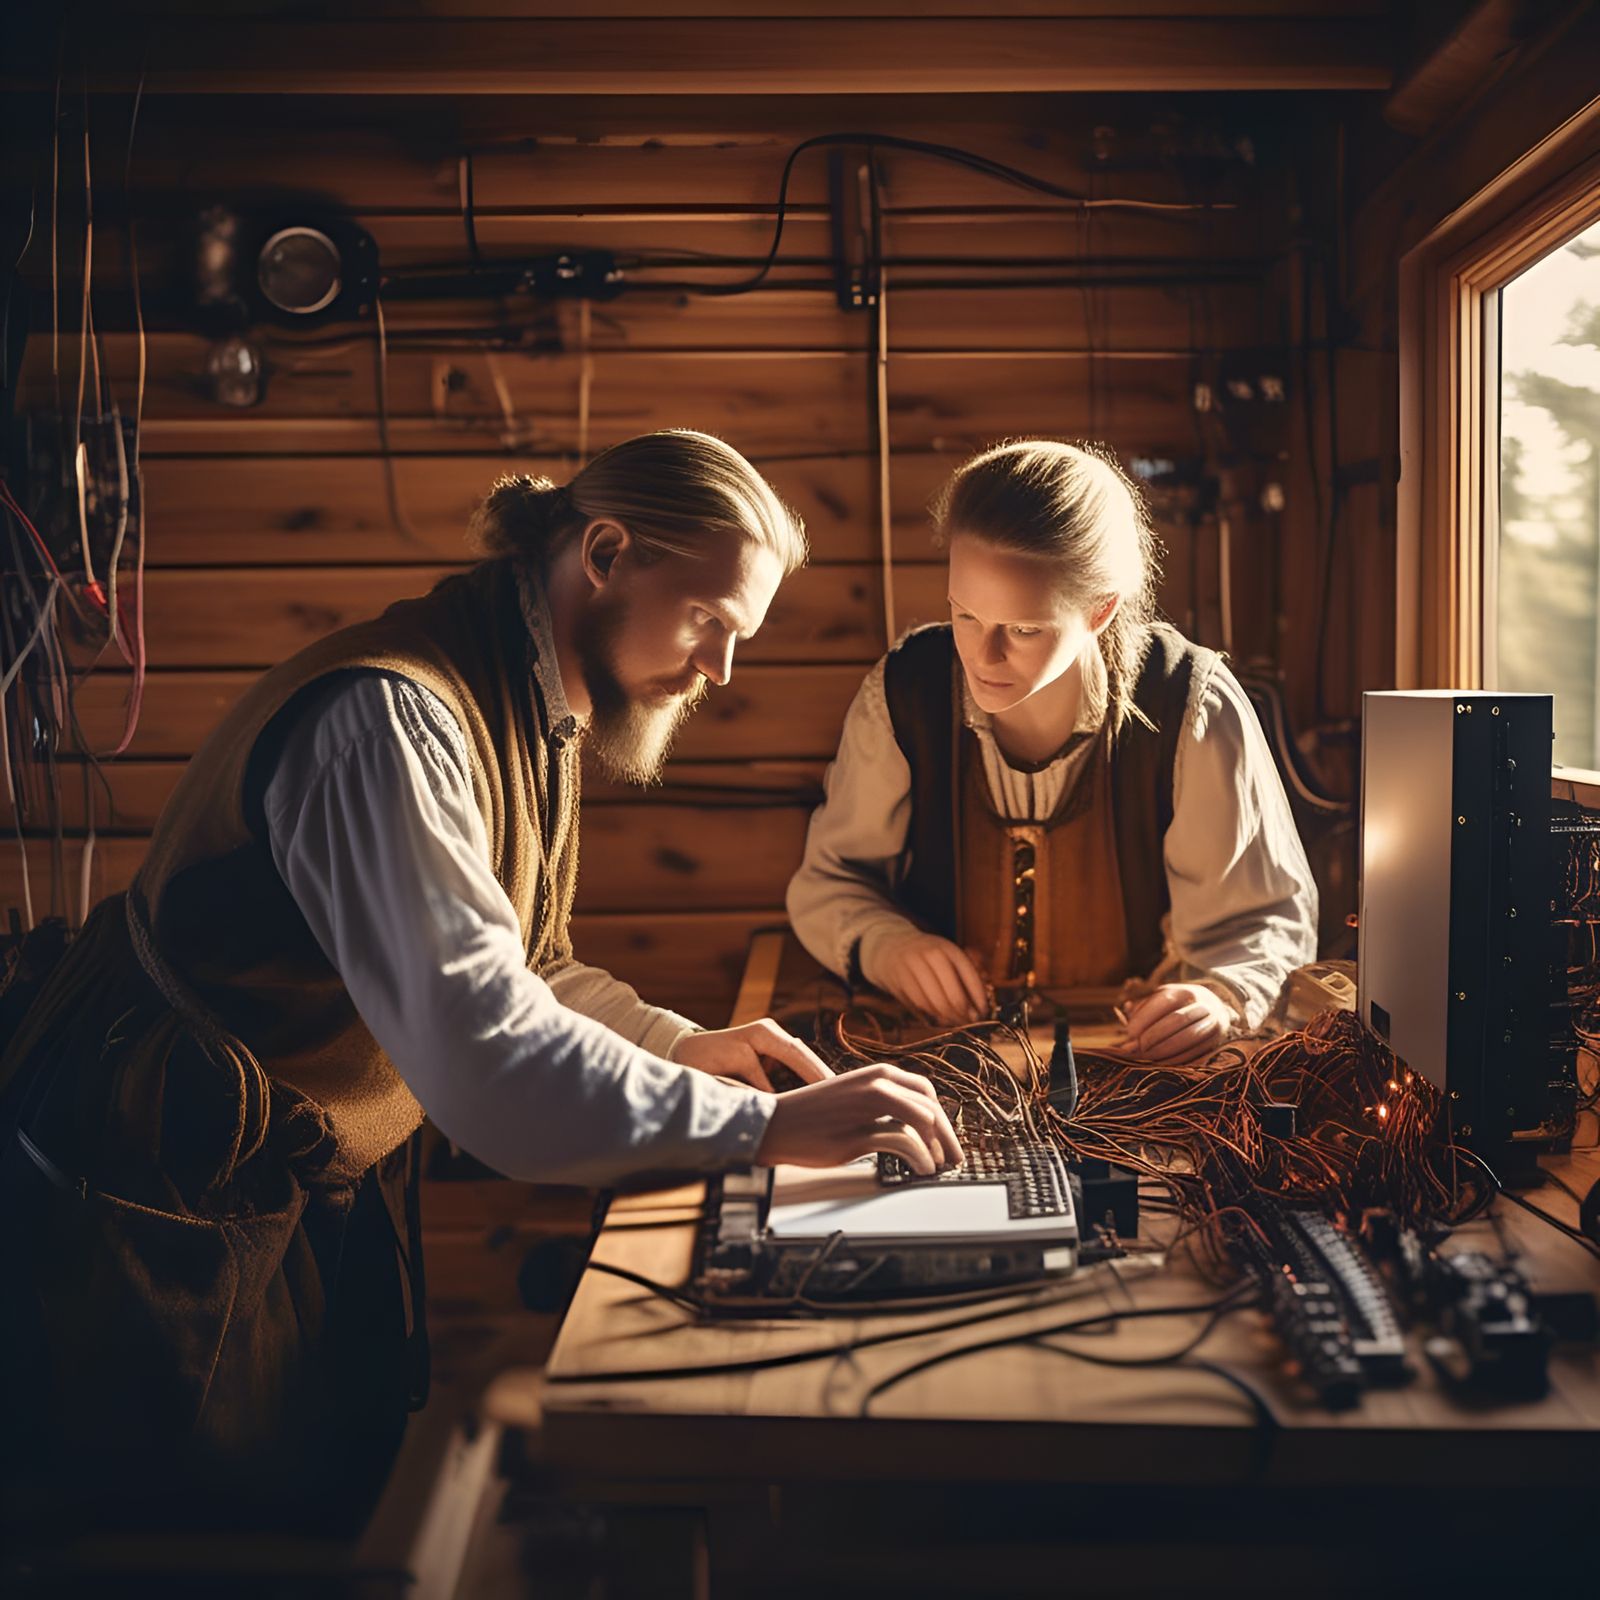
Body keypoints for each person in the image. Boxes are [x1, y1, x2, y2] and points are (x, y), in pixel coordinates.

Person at [0, 429, 959, 1536]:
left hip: (257, 1177)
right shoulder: (390, 723)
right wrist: (761, 1125)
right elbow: (491, 1051)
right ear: (604, 551)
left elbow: (527, 967)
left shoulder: (523, 694)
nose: (719, 670)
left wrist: (677, 1042)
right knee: (172, 1542)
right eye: (707, 619)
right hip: (136, 1201)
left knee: (311, 1508)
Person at [787, 438, 1318, 1061]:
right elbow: (828, 882)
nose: (982, 658)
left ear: (1099, 611)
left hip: (1132, 1061)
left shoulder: (1189, 706)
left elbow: (1266, 920)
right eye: (964, 615)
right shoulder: (904, 695)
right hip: (948, 1060)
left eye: (1023, 629)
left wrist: (1222, 996)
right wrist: (886, 945)